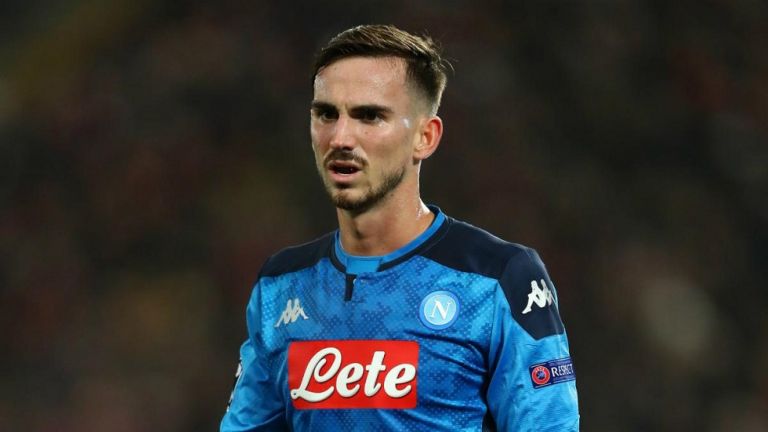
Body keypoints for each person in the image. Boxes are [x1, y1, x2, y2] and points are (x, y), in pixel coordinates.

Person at [221, 24, 579, 431]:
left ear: (425, 137)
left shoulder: (497, 278)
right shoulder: (281, 286)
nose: (340, 137)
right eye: (326, 114)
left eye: (369, 116)